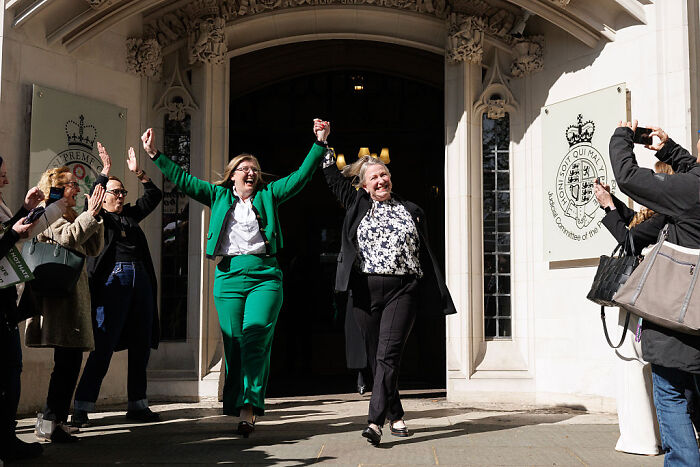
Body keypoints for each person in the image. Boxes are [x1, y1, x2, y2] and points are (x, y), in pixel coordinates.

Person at [141, 119, 330, 436]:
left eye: (255, 168)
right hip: (228, 277)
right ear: (233, 175)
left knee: (256, 338)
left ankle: (248, 408)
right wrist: (156, 154)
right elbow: (184, 181)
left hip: (264, 276)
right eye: (245, 168)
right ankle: (237, 401)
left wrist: (319, 143)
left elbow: (298, 179)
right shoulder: (217, 195)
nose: (252, 172)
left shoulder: (269, 194)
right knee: (236, 344)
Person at [320, 130, 456, 446]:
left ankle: (374, 422)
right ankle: (395, 413)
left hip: (402, 290)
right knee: (376, 358)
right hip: (364, 291)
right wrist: (323, 141)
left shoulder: (413, 211)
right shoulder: (355, 204)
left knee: (388, 354)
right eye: (374, 177)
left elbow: (425, 252)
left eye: (384, 174)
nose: (381, 180)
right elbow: (330, 175)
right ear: (363, 185)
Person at [609, 121, 700, 466]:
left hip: (680, 315)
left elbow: (628, 176)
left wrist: (622, 136)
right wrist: (671, 150)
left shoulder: (690, 191)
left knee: (672, 395)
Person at [71, 143, 163, 427]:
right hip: (114, 280)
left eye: (123, 192)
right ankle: (82, 407)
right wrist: (104, 173)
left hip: (141, 280)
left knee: (141, 343)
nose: (121, 196)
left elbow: (155, 196)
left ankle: (137, 405)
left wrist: (140, 173)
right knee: (104, 345)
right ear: (104, 196)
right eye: (116, 192)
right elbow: (93, 203)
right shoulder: (100, 218)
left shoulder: (129, 216)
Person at [593, 165, 670, 456]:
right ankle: (649, 436)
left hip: (642, 302)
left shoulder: (665, 215)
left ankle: (642, 439)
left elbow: (630, 239)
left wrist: (609, 206)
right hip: (646, 301)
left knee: (632, 366)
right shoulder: (665, 213)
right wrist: (612, 205)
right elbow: (636, 226)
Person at [25, 167, 106, 443]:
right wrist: (90, 214)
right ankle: (51, 420)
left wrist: (95, 215)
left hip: (73, 297)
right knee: (66, 363)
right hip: (59, 302)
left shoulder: (69, 213)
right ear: (57, 186)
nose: (77, 187)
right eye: (72, 184)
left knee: (70, 362)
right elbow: (68, 237)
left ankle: (55, 420)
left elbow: (93, 247)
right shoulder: (49, 211)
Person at [0, 175, 64, 462]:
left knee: (11, 371)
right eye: (2, 170)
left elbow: (7, 233)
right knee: (9, 371)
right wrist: (14, 232)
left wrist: (25, 210)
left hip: (5, 302)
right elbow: (6, 238)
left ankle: (7, 438)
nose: (6, 175)